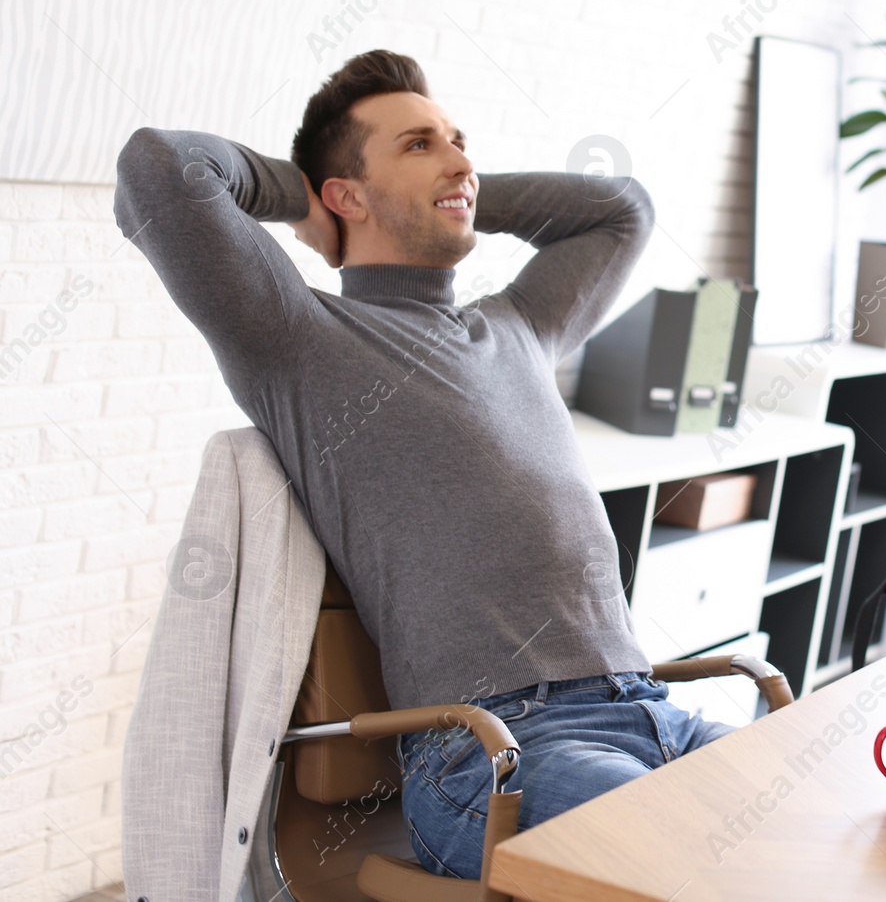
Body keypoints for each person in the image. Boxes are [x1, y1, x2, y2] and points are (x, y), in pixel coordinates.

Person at [113, 49, 733, 879]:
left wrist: (452, 187)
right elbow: (158, 170)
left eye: (459, 141)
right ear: (346, 194)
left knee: (825, 824)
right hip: (497, 751)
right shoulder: (300, 340)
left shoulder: (519, 326)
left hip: (650, 707)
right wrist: (305, 194)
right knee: (694, 866)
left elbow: (623, 210)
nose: (461, 159)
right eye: (419, 145)